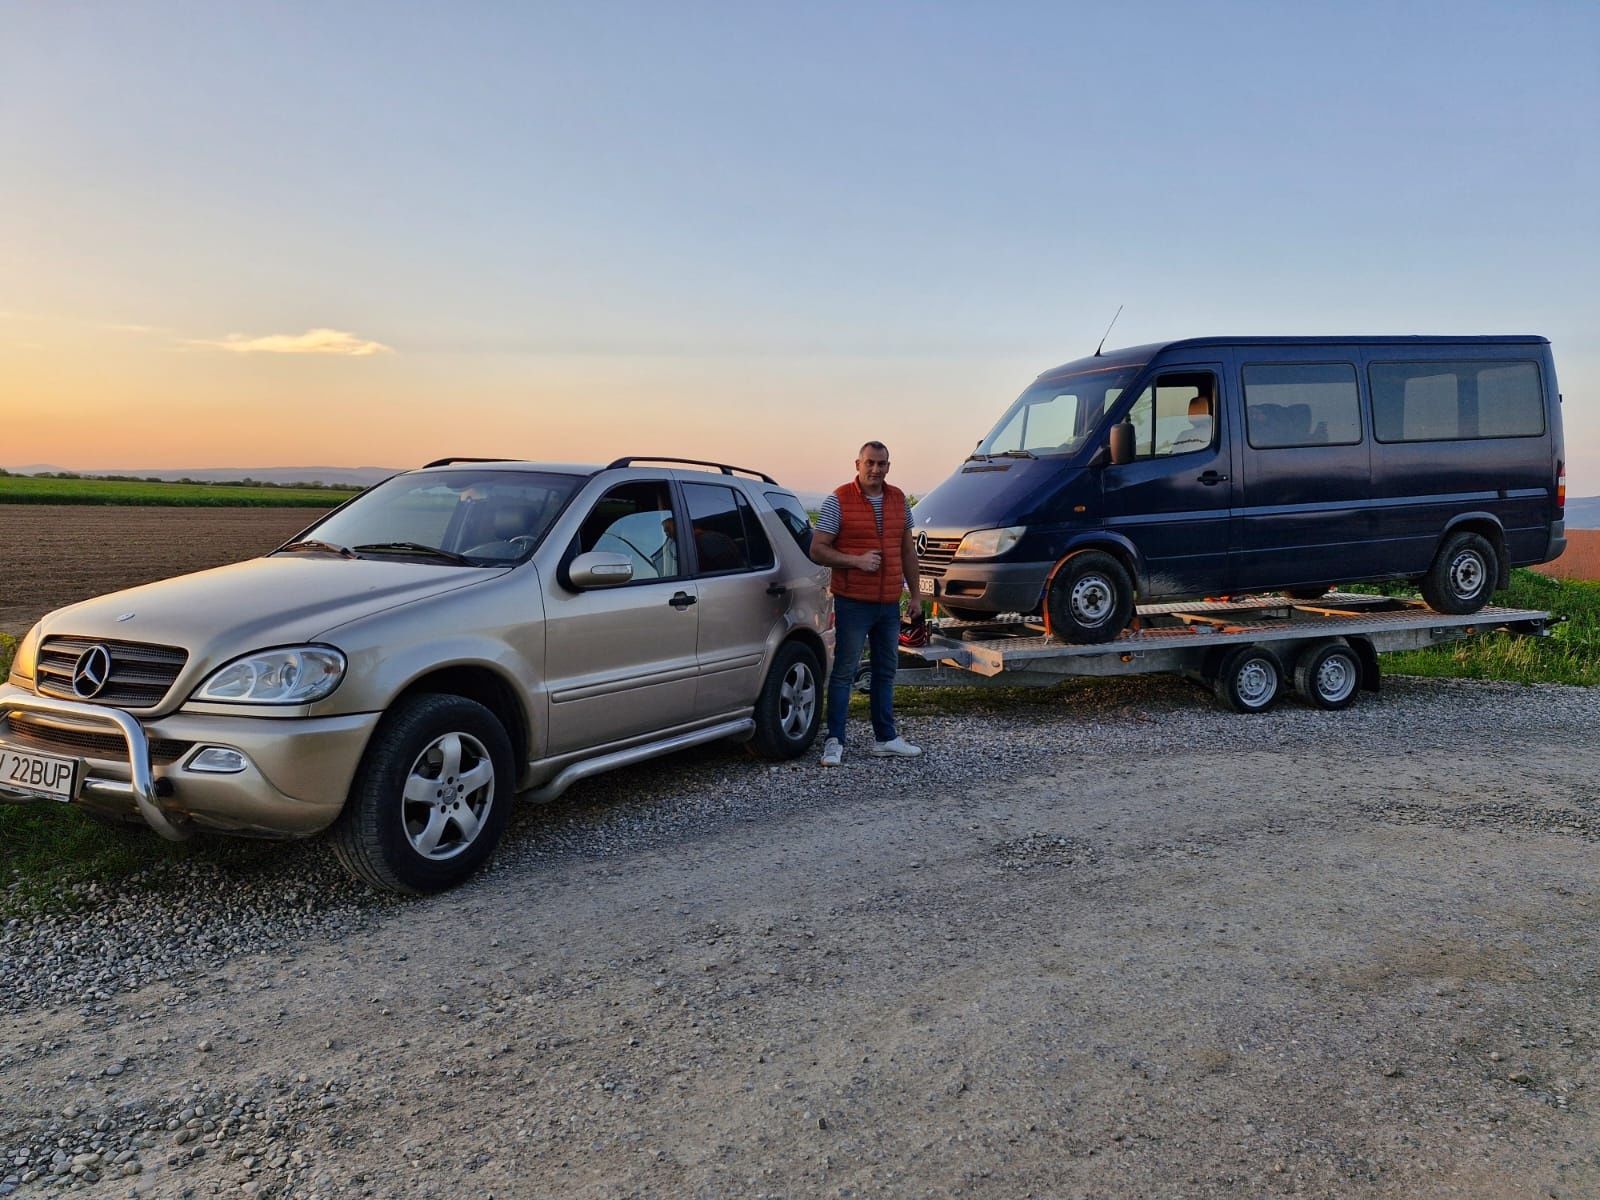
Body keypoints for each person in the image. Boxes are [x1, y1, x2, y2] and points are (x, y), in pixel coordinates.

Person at [809, 440, 923, 765]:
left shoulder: (899, 499)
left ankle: (886, 738)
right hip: (853, 602)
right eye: (870, 463)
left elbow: (907, 552)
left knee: (886, 671)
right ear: (857, 464)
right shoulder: (839, 500)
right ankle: (834, 741)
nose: (875, 469)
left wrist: (914, 595)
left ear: (889, 466)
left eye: (882, 463)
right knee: (845, 672)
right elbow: (817, 549)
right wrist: (855, 561)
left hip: (889, 603)